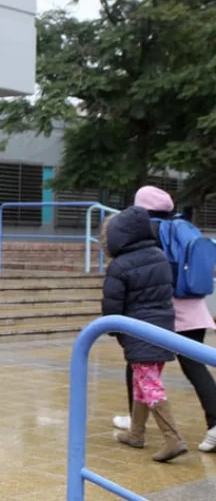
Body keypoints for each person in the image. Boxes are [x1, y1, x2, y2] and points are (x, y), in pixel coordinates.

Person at [112, 186, 216, 452]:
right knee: (195, 366)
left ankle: (138, 424)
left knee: (138, 363)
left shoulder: (152, 232)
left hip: (167, 313)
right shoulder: (182, 226)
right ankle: (214, 423)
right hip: (195, 309)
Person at [101, 207, 187, 463]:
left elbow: (112, 305)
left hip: (138, 332)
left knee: (149, 385)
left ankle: (173, 439)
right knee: (143, 382)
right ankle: (136, 433)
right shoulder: (159, 255)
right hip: (163, 329)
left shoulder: (119, 266)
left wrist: (113, 330)